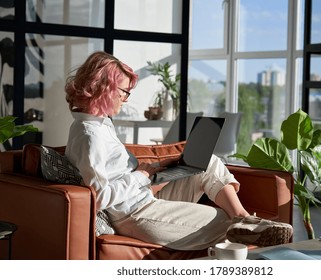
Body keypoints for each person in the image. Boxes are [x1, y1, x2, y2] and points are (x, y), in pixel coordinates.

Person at [64, 51, 292, 251]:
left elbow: (116, 173)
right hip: (135, 214)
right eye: (124, 91)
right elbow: (98, 197)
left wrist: (153, 171)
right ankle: (242, 226)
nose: (125, 98)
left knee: (207, 163)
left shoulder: (101, 124)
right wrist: (140, 177)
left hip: (143, 195)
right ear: (106, 89)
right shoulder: (89, 135)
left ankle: (243, 218)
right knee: (223, 220)